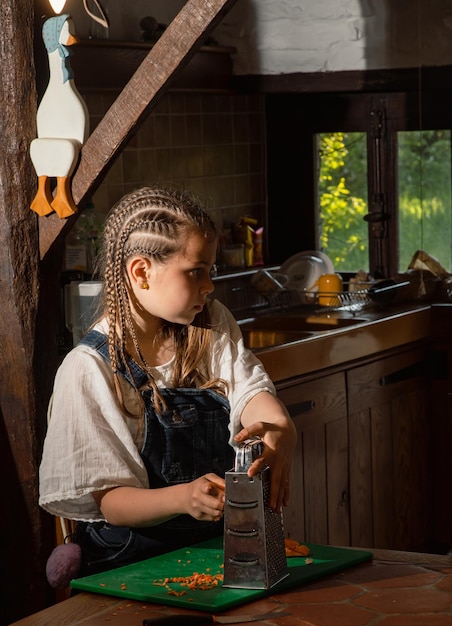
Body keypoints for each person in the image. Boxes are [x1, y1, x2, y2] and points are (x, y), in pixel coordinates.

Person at [39, 186, 296, 578]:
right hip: (129, 565)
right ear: (141, 272)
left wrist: (282, 427)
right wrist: (182, 497)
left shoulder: (209, 324)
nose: (209, 286)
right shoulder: (88, 369)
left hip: (211, 552)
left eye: (210, 271)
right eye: (197, 272)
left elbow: (249, 389)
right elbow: (111, 502)